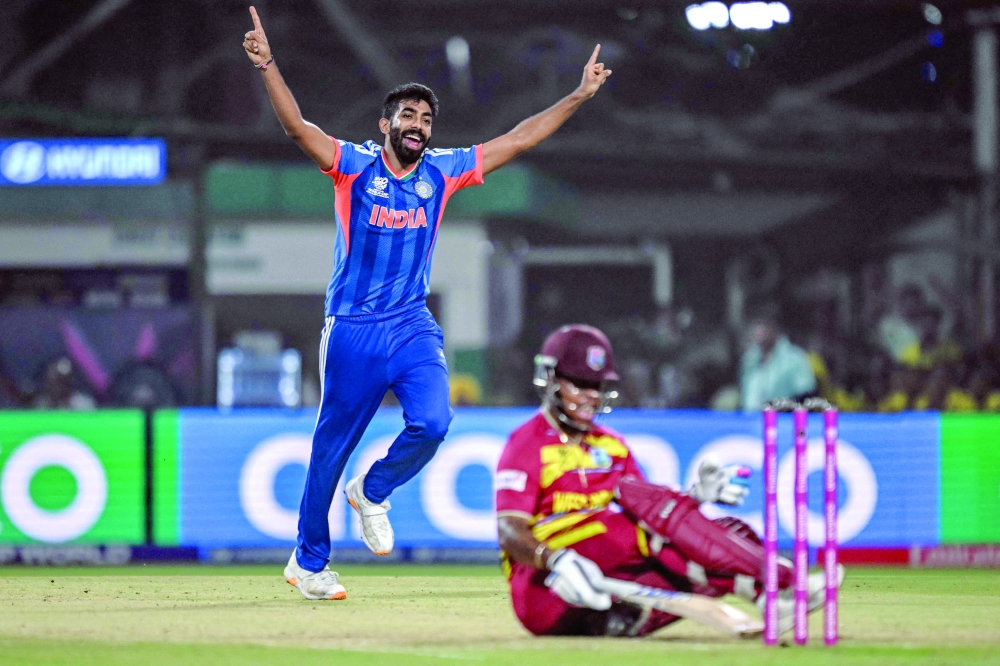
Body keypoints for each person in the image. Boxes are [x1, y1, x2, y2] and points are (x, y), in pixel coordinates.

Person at [241, 7, 614, 601]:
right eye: (408, 115)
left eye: (426, 118)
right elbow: (296, 128)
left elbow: (518, 138)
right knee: (329, 449)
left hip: (411, 324)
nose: (419, 125)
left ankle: (375, 489)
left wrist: (576, 96)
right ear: (385, 123)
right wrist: (268, 65)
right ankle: (307, 563)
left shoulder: (441, 172)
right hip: (353, 328)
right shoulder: (353, 166)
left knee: (435, 422)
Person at [495, 324, 842, 636]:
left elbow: (656, 513)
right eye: (581, 385)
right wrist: (554, 557)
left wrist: (694, 498)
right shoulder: (527, 443)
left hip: (606, 592)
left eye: (598, 386)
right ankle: (782, 582)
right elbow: (510, 531)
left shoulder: (611, 446)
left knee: (726, 530)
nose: (592, 396)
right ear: (551, 379)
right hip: (543, 588)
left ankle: (767, 597)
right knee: (638, 509)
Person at [739, 316, 816, 412]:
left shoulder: (794, 357)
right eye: (757, 328)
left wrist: (780, 407)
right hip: (750, 420)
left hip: (782, 420)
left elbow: (806, 394)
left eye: (764, 328)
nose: (759, 333)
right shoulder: (749, 358)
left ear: (773, 329)